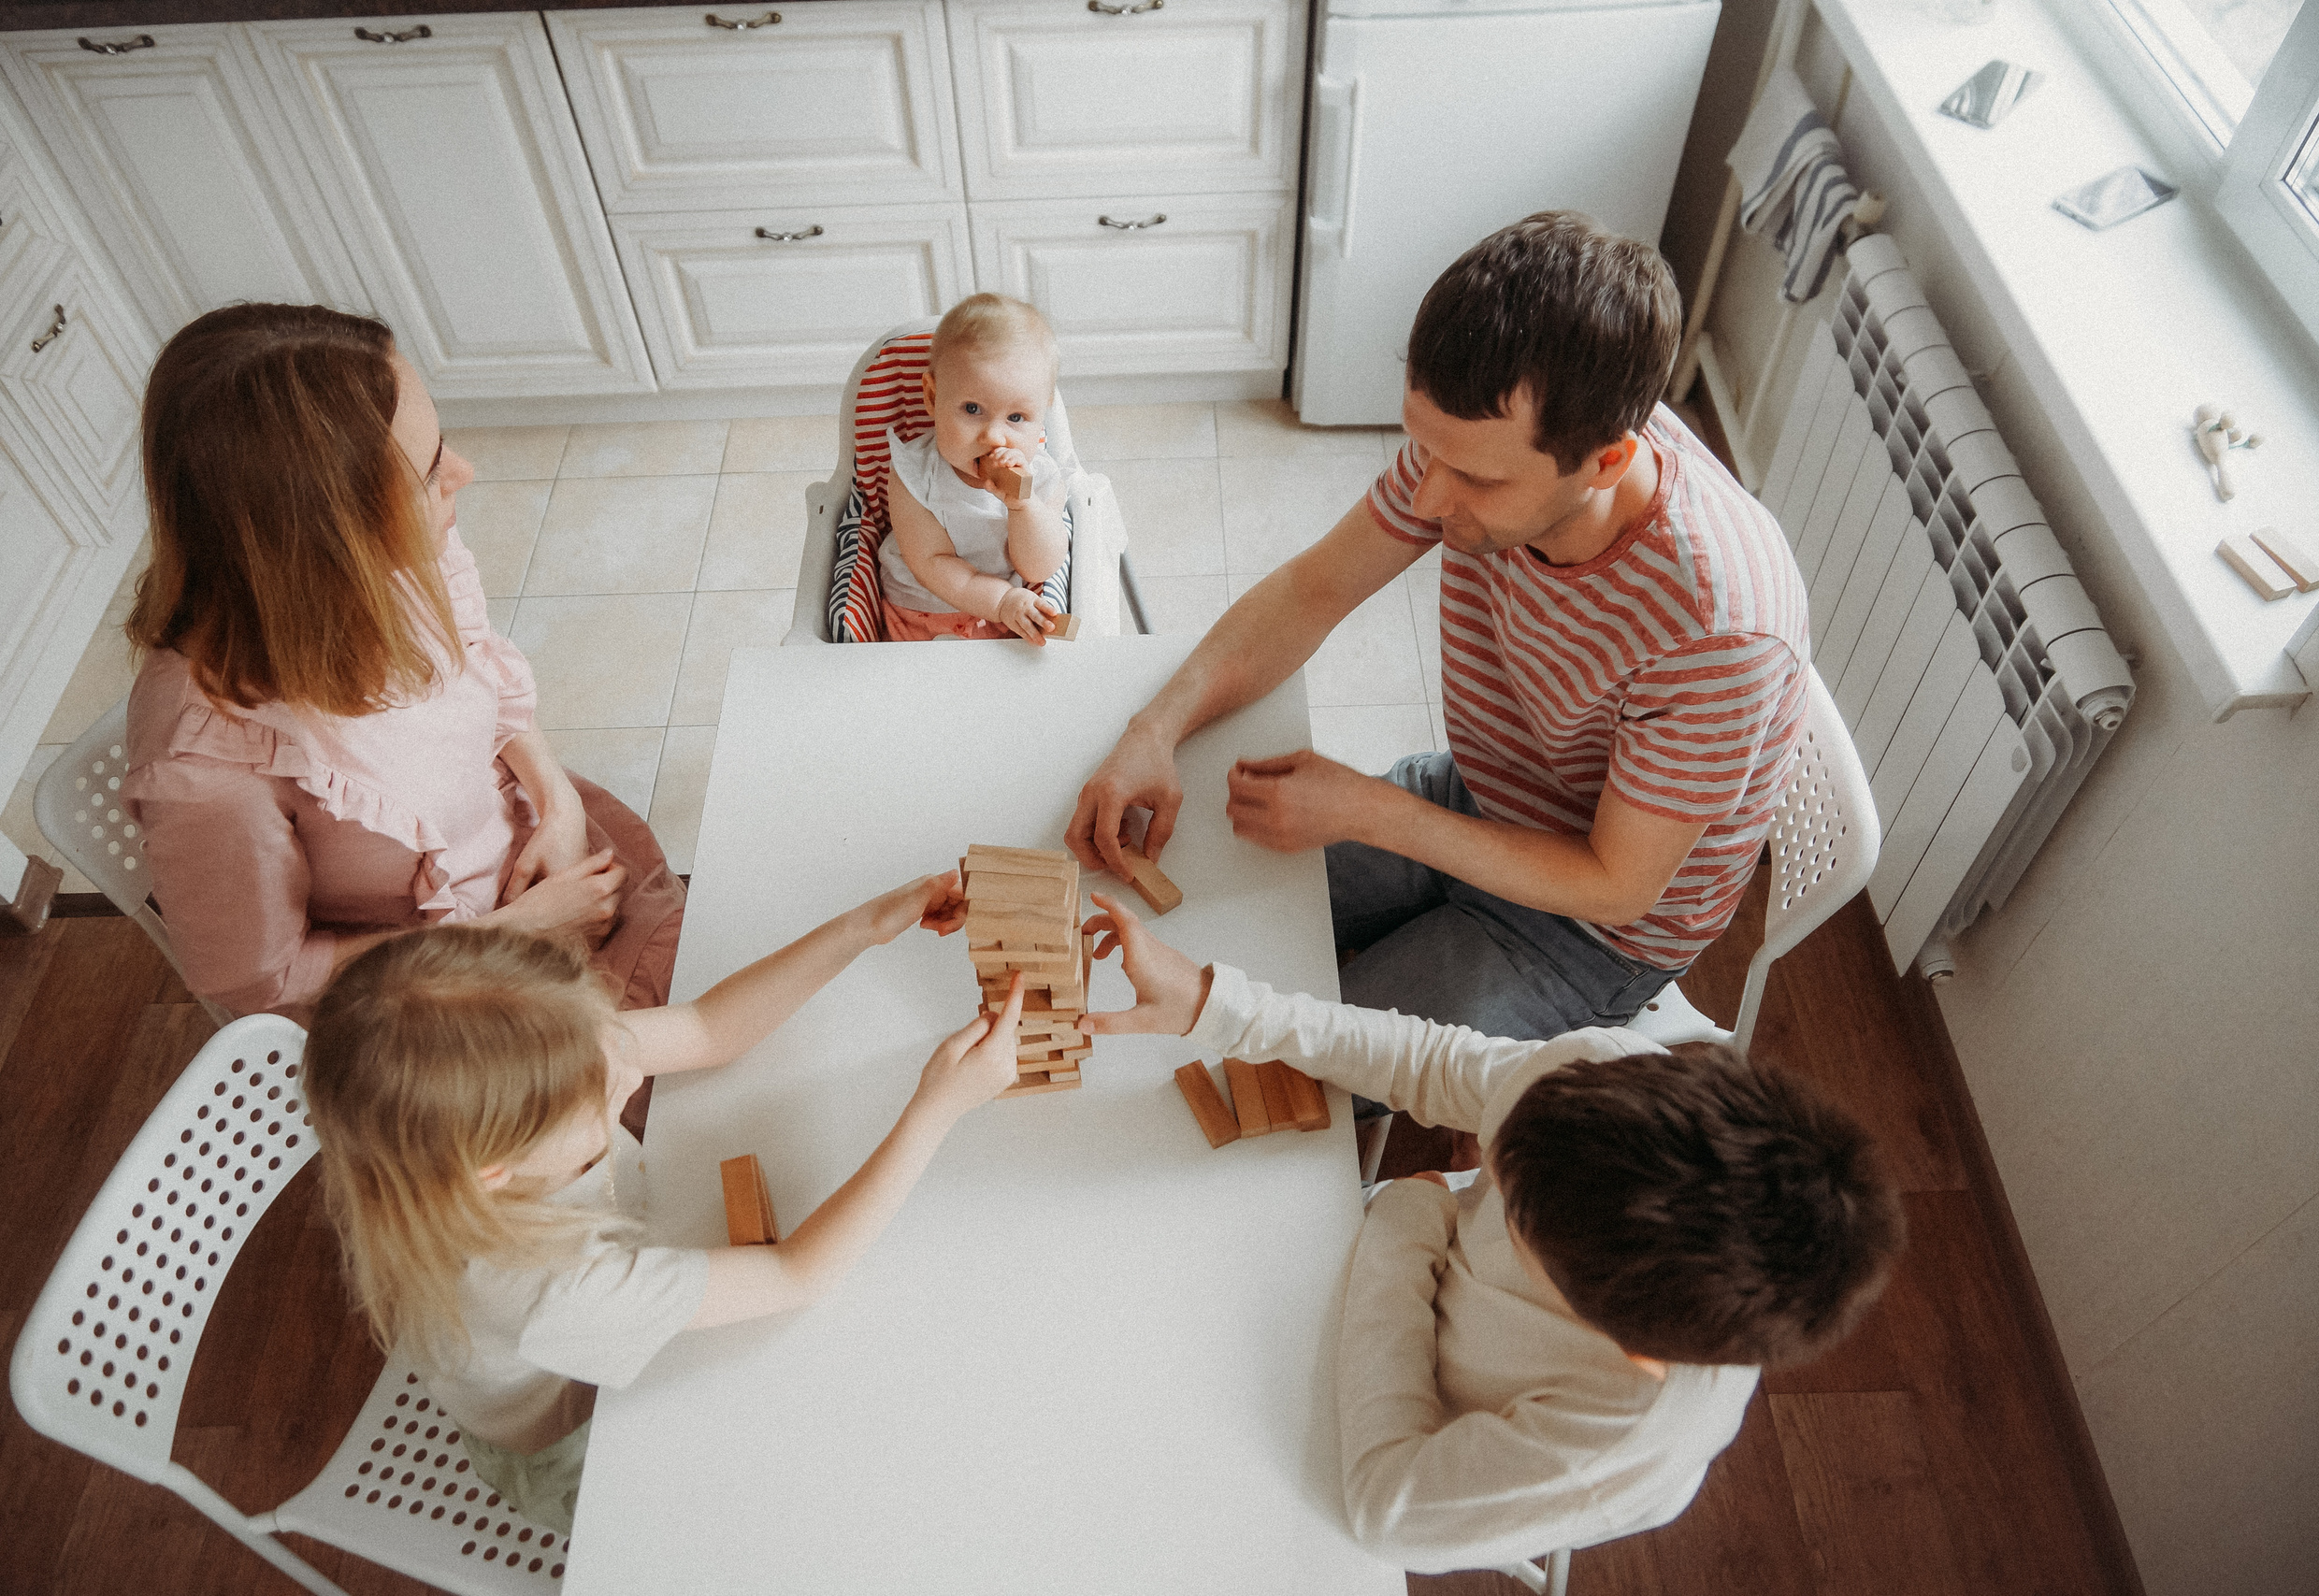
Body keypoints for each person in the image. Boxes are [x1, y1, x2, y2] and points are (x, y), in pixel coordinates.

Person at [1068, 213, 1809, 1047]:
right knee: (1205, 917)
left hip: (1587, 933)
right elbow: (1313, 590)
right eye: (1424, 448)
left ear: (1605, 462)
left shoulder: (1716, 630)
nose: (1427, 500)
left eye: (1475, 479)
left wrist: (1370, 810)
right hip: (1481, 794)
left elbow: (1616, 886)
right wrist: (1154, 728)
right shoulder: (1481, 438)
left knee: (1270, 1057)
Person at [1075, 894, 1904, 1570]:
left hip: (1400, 1381)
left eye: (1507, 1200)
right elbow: (1433, 1065)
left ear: (1612, 1328)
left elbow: (1384, 1508)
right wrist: (1215, 1002)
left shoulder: (1620, 1438)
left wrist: (1412, 1213)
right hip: (1382, 1289)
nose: (1488, 1167)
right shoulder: (1602, 1081)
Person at [304, 872, 1021, 1536]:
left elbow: (712, 1028)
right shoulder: (545, 1286)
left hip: (591, 1300)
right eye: (599, 1092)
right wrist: (938, 1107)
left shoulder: (525, 1073)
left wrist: (864, 924)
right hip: (576, 1442)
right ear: (495, 1169)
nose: (624, 1065)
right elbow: (800, 1275)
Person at [121, 303, 684, 1024]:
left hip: (529, 861)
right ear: (328, 534)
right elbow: (262, 982)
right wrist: (517, 932)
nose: (463, 474)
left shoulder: (391, 565)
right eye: (428, 473)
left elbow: (482, 678)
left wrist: (557, 802)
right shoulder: (207, 778)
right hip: (420, 997)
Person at [878, 294, 1072, 643]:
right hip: (922, 611)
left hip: (1014, 611)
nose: (995, 437)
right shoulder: (914, 474)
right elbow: (932, 563)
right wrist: (1001, 601)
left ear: (1043, 412)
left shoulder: (1043, 478)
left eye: (1016, 418)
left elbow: (1039, 568)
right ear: (933, 397)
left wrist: (1023, 506)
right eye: (972, 409)